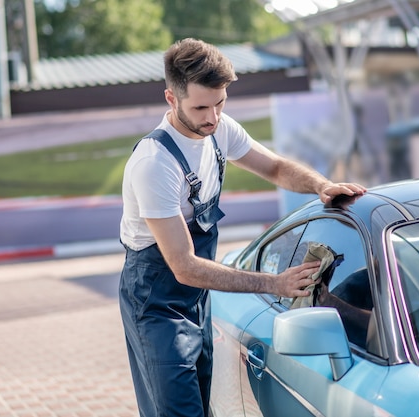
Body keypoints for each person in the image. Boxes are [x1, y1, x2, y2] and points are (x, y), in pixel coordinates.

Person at [118, 38, 367, 417]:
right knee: (178, 410)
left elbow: (276, 167)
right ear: (171, 98)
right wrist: (274, 283)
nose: (213, 118)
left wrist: (321, 185)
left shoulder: (218, 129)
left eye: (220, 103)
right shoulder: (155, 163)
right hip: (155, 299)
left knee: (203, 402)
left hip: (195, 295)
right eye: (201, 107)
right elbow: (183, 266)